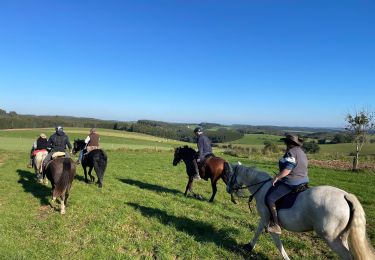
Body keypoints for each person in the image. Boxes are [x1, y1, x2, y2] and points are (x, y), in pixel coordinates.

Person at [265, 134, 309, 234]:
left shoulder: (291, 152)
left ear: (289, 143)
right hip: (304, 180)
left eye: (286, 142)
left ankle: (276, 225)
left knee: (270, 198)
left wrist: (277, 177)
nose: (285, 144)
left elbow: (288, 169)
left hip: (292, 182)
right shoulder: (302, 152)